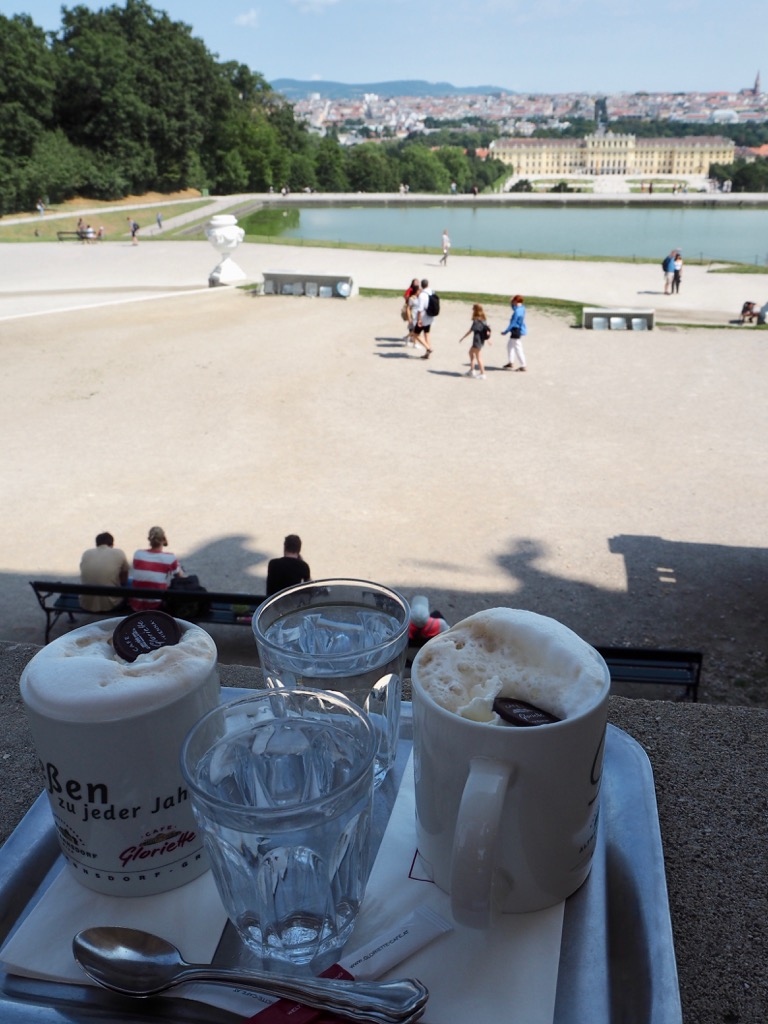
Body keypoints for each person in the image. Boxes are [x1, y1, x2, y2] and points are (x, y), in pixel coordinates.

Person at [130, 526, 186, 610]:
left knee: (131, 580)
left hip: (136, 605)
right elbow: (181, 578)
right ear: (163, 539)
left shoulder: (138, 554)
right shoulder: (170, 558)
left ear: (149, 539)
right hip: (156, 606)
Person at [79, 532, 130, 612]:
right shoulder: (119, 553)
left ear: (97, 544)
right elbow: (124, 580)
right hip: (111, 605)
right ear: (112, 544)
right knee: (130, 582)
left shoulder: (86, 553)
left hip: (85, 604)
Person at [458, 303, 491, 379]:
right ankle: (472, 370)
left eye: (473, 308)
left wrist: (463, 338)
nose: (472, 310)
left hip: (477, 340)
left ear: (476, 310)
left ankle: (482, 373)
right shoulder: (484, 319)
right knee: (471, 353)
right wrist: (488, 339)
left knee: (478, 357)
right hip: (481, 340)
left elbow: (470, 330)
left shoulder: (476, 320)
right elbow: (486, 330)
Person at [501, 295, 528, 372]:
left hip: (516, 330)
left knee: (518, 348)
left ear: (516, 301)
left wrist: (505, 331)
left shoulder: (517, 312)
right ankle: (511, 362)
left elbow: (512, 323)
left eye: (513, 301)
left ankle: (523, 365)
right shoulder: (522, 308)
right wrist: (511, 302)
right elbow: (514, 308)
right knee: (510, 346)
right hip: (518, 330)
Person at [414, 278, 435, 359]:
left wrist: (419, 319)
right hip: (430, 316)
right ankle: (427, 354)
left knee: (416, 334)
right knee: (427, 333)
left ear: (421, 285)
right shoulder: (432, 292)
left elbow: (420, 309)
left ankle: (428, 348)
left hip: (423, 317)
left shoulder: (422, 295)